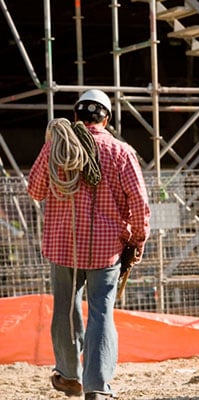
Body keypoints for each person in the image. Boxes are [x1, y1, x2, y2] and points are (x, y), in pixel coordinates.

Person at [28, 89, 151, 400]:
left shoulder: (55, 147)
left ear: (75, 117)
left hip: (62, 245)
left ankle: (69, 375)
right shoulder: (120, 151)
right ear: (106, 118)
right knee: (101, 312)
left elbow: (36, 190)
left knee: (66, 309)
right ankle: (97, 385)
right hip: (106, 248)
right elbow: (139, 202)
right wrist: (138, 239)